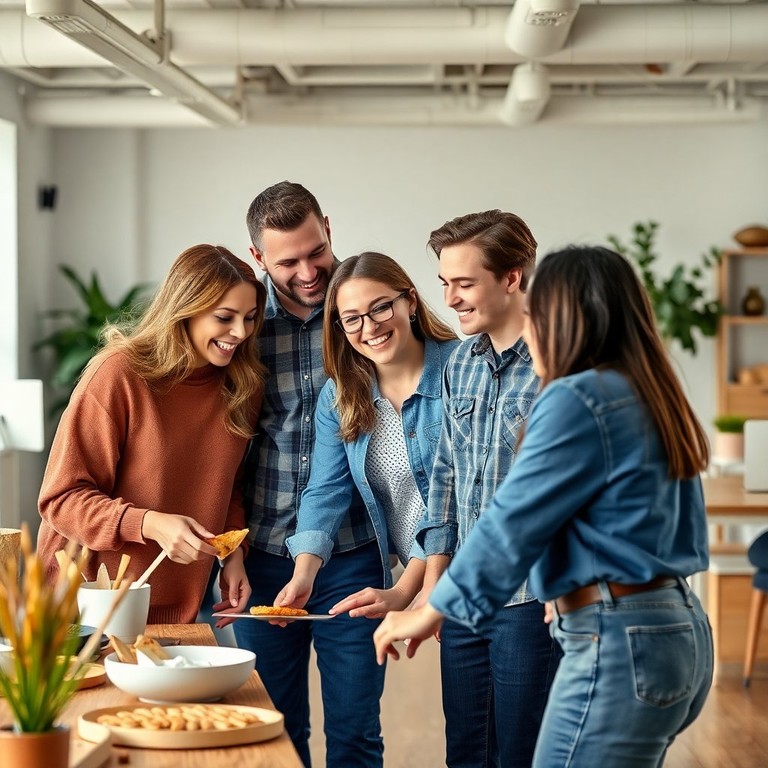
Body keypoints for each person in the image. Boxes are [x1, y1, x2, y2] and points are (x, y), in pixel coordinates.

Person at [374, 245, 714, 768]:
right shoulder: (649, 392)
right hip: (679, 629)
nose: (528, 328)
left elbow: (513, 520)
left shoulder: (576, 396)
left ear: (562, 318)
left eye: (534, 312)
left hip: (618, 639)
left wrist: (429, 611)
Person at [235, 183, 386, 767]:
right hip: (264, 557)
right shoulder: (241, 326)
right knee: (274, 729)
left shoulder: (362, 317)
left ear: (327, 226)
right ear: (258, 258)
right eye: (287, 261)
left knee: (354, 731)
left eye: (315, 251)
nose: (307, 271)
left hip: (353, 556)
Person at [37, 244, 267, 624]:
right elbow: (61, 500)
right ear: (186, 309)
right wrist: (148, 523)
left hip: (175, 613)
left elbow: (229, 485)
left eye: (251, 318)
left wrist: (232, 554)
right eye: (225, 317)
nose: (240, 332)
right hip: (83, 608)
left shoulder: (242, 387)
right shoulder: (118, 375)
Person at [415, 210, 561, 768]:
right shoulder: (458, 366)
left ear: (512, 278)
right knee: (466, 752)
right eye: (444, 283)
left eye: (464, 283)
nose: (450, 299)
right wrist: (435, 587)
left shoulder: (560, 365)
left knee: (520, 753)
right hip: (464, 597)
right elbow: (445, 483)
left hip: (531, 599)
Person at [277, 252, 458, 622]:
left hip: (471, 571)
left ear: (409, 301)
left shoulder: (462, 369)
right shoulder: (340, 394)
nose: (370, 327)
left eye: (380, 308)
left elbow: (449, 497)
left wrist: (404, 591)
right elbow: (326, 489)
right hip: (427, 581)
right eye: (352, 319)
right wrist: (303, 574)